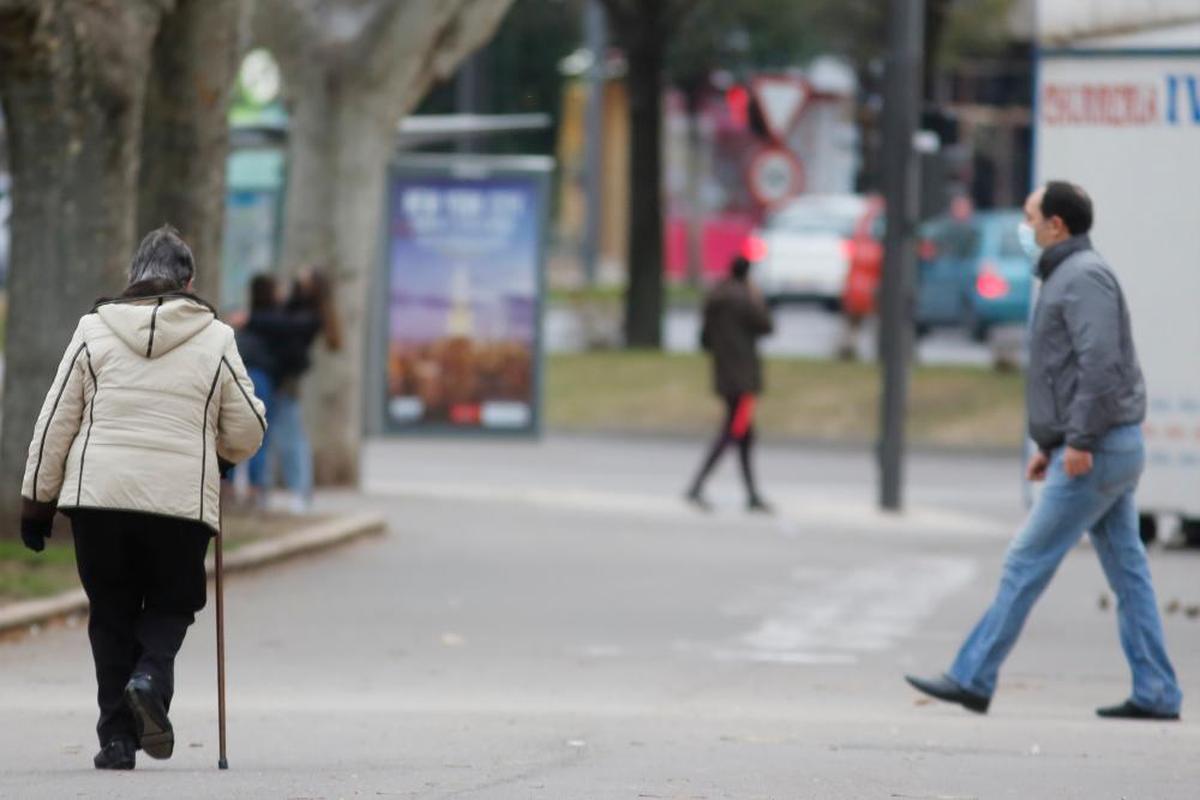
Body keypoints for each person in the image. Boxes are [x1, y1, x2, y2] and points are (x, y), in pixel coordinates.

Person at [904, 182, 1182, 721]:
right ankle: (1156, 691)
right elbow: (1069, 371)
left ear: (1057, 225)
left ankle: (972, 676)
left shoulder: (1082, 278)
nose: (1023, 229)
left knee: (1025, 561)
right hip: (1102, 446)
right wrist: (1051, 444)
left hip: (1098, 448)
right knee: (1128, 572)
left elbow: (1099, 366)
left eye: (1030, 218)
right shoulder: (1070, 275)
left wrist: (1076, 441)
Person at [19, 225, 266, 770]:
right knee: (173, 602)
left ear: (132, 276)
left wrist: (36, 503)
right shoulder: (215, 338)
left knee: (110, 611)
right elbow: (248, 426)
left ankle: (117, 740)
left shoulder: (92, 331)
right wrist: (220, 458)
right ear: (189, 281)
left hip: (98, 499)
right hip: (178, 503)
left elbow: (55, 421)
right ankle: (150, 676)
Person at [244, 268, 340, 513]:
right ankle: (268, 489)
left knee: (291, 437)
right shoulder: (295, 306)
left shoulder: (308, 316)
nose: (301, 273)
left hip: (286, 382)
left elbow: (282, 326)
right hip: (276, 379)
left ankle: (299, 492)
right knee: (273, 435)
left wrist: (250, 319)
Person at [686, 255, 775, 512]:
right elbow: (767, 326)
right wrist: (758, 298)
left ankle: (751, 494)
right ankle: (698, 486)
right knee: (733, 433)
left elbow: (704, 340)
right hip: (744, 378)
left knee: (744, 435)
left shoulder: (715, 298)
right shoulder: (746, 299)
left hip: (724, 374)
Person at [233, 274, 281, 509]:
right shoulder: (274, 319)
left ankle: (229, 487)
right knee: (259, 435)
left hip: (242, 373)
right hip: (261, 377)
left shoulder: (248, 320)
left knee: (232, 430)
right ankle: (254, 490)